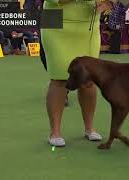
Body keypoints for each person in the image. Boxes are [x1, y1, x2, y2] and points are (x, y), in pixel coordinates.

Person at [41, 0, 113, 146]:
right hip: (54, 16)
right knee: (59, 78)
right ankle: (54, 132)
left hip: (88, 22)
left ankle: (89, 128)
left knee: (88, 80)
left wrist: (113, 2)